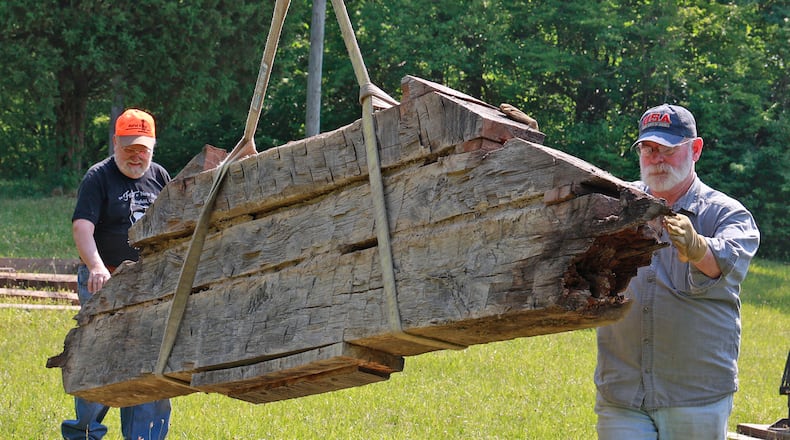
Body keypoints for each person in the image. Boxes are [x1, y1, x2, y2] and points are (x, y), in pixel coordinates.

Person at [594, 104, 760, 439]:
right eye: (648, 149)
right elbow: (563, 200)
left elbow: (726, 262)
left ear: (695, 150)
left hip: (694, 396)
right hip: (622, 392)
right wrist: (528, 145)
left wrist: (698, 247)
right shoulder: (617, 202)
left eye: (668, 150)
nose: (656, 158)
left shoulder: (727, 214)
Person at [61, 108, 172, 440]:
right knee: (101, 362)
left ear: (152, 146)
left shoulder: (161, 177)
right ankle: (85, 433)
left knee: (151, 363)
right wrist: (95, 266)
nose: (135, 156)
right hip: (104, 281)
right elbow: (82, 227)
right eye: (128, 148)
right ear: (115, 143)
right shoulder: (99, 177)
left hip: (148, 284)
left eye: (142, 149)